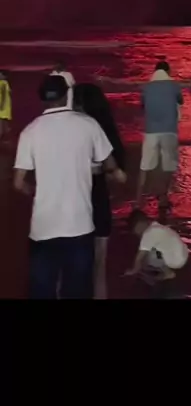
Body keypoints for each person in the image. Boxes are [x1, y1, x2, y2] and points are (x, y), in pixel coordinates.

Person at [13, 75, 126, 299]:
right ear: (67, 96)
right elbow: (110, 164)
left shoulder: (30, 132)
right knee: (77, 291)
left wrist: (37, 193)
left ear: (42, 100)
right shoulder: (88, 125)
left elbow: (18, 183)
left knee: (42, 291)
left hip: (43, 227)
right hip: (79, 225)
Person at [73, 83, 126, 300]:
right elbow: (120, 176)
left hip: (76, 201)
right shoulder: (105, 131)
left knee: (69, 267)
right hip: (99, 199)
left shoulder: (74, 129)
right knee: (99, 267)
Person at [137, 60, 183, 210]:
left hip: (150, 130)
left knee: (145, 165)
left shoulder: (147, 87)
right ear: (168, 72)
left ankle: (138, 200)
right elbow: (180, 101)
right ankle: (163, 197)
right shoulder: (174, 85)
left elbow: (142, 105)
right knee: (168, 165)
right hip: (169, 130)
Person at [124, 209, 189, 285]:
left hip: (176, 261)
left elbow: (139, 257)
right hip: (183, 255)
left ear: (139, 224)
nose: (137, 234)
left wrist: (133, 271)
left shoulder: (148, 233)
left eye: (135, 231)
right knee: (151, 252)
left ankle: (168, 273)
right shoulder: (155, 227)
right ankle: (165, 268)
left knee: (152, 255)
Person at [0, 71, 12, 142]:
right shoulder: (4, 83)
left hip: (2, 107)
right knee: (4, 122)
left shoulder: (3, 83)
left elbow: (4, 94)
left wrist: (2, 105)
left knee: (2, 122)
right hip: (4, 107)